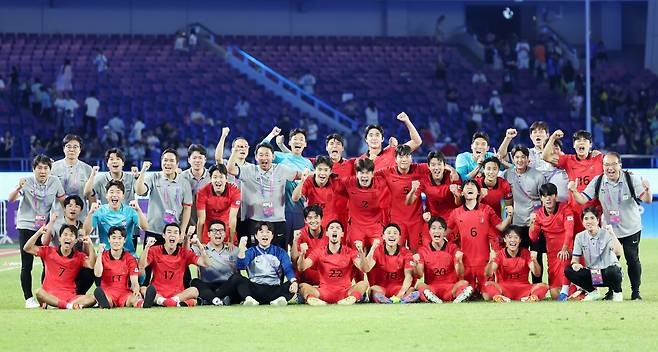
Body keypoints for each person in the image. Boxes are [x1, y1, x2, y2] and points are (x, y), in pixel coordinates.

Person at [569, 152, 652, 300]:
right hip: (609, 230)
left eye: (613, 164)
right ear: (602, 166)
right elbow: (582, 200)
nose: (610, 168)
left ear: (620, 165)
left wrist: (647, 190)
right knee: (608, 262)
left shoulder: (630, 178)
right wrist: (574, 191)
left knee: (632, 260)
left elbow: (647, 200)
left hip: (631, 228)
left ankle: (635, 292)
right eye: (606, 164)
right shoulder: (598, 180)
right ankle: (611, 292)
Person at [8, 154, 66, 308]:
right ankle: (28, 299)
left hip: (44, 227)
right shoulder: (26, 181)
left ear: (50, 170)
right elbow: (11, 199)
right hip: (26, 225)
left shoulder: (55, 181)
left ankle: (46, 296)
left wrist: (71, 214)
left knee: (48, 262)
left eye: (46, 168)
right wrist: (18, 187)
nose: (42, 171)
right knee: (27, 264)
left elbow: (63, 200)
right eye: (39, 168)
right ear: (33, 169)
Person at [226, 142, 299, 249]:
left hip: (278, 221)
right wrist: (235, 152)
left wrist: (321, 173)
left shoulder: (281, 169)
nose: (264, 158)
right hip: (255, 221)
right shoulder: (250, 170)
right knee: (255, 257)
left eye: (267, 155)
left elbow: (301, 175)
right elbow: (231, 169)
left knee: (279, 256)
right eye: (261, 155)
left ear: (273, 156)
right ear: (255, 157)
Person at [447, 180, 513, 292]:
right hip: (466, 263)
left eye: (473, 185)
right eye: (466, 186)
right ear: (462, 193)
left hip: (485, 263)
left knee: (488, 294)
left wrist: (509, 216)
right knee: (465, 292)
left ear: (478, 193)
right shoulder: (456, 212)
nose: (470, 187)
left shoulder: (487, 209)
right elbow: (444, 232)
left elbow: (501, 227)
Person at [23, 225, 96, 309]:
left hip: (69, 297)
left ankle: (58, 305)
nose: (68, 238)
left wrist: (90, 245)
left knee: (93, 297)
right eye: (65, 235)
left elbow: (91, 265)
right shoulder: (48, 251)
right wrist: (38, 233)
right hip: (49, 295)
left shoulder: (79, 256)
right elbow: (27, 248)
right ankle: (66, 306)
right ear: (60, 238)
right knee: (39, 292)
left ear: (76, 240)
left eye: (71, 236)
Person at [543, 129, 603, 232]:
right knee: (576, 244)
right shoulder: (568, 160)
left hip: (596, 211)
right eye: (578, 140)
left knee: (597, 243)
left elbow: (614, 166)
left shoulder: (600, 159)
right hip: (575, 211)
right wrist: (553, 137)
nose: (581, 142)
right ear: (574, 145)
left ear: (590, 145)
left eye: (585, 140)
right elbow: (545, 156)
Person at [261, 127, 313, 247]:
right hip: (280, 212)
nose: (298, 142)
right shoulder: (280, 157)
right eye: (295, 139)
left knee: (298, 249)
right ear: (289, 142)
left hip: (299, 211)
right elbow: (262, 150)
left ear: (305, 144)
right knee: (279, 248)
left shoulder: (308, 164)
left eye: (301, 139)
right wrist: (272, 134)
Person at [297, 220, 369, 305]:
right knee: (302, 286)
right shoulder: (318, 251)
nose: (334, 230)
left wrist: (361, 252)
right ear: (327, 233)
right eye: (331, 228)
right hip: (323, 293)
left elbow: (365, 269)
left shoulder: (350, 252)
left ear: (342, 234)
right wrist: (302, 254)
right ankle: (314, 300)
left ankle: (351, 299)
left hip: (345, 293)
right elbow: (302, 267)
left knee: (364, 284)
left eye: (338, 228)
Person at [139, 223, 210, 308]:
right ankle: (173, 303)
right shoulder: (154, 250)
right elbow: (141, 266)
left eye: (175, 232)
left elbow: (206, 263)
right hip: (157, 292)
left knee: (194, 290)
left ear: (180, 237)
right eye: (169, 232)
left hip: (177, 294)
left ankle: (164, 302)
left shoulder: (184, 253)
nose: (172, 235)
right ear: (164, 235)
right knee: (143, 289)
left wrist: (200, 246)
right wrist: (147, 247)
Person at [135, 149, 193, 248]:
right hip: (153, 231)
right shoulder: (154, 177)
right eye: (165, 160)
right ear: (161, 162)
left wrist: (182, 231)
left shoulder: (184, 182)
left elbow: (187, 208)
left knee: (172, 263)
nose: (168, 163)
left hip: (173, 232)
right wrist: (143, 171)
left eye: (171, 161)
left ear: (177, 164)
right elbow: (139, 191)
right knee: (150, 263)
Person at [377, 145, 430, 251]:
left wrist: (453, 171)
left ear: (411, 158)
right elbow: (368, 175)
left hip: (416, 220)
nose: (404, 159)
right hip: (397, 220)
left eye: (407, 156)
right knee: (396, 251)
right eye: (401, 157)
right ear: (395, 159)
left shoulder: (419, 169)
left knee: (417, 253)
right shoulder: (387, 171)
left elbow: (436, 166)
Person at [565, 207, 623, 302]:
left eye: (592, 218)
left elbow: (618, 252)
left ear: (598, 220)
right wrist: (575, 264)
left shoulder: (606, 234)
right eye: (586, 219)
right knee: (568, 270)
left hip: (609, 275)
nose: (589, 221)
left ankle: (617, 293)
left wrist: (612, 234)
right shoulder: (579, 237)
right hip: (594, 276)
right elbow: (575, 259)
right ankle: (592, 292)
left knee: (613, 270)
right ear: (583, 222)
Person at [234, 222, 299, 306]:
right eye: (261, 232)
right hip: (255, 288)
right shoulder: (250, 251)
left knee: (296, 281)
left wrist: (294, 281)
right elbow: (241, 266)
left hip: (274, 289)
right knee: (237, 278)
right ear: (256, 236)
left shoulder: (280, 252)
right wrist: (242, 248)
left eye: (268, 232)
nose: (265, 234)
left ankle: (280, 299)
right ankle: (249, 299)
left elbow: (288, 268)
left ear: (272, 236)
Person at [529, 183, 575, 300]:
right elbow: (533, 238)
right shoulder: (538, 214)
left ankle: (579, 291)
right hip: (552, 254)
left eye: (550, 195)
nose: (548, 198)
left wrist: (565, 248)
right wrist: (532, 224)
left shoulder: (565, 208)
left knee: (569, 281)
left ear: (556, 196)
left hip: (567, 249)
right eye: (544, 196)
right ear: (541, 198)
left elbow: (569, 231)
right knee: (555, 294)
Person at [482, 226, 548, 302]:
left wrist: (535, 262)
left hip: (523, 289)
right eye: (510, 237)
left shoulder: (526, 253)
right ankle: (498, 297)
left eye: (516, 237)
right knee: (487, 285)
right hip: (504, 289)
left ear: (520, 240)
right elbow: (488, 274)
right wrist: (490, 262)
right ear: (505, 239)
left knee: (544, 286)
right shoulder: (500, 254)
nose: (513, 240)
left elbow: (537, 274)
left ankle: (533, 297)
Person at [415, 217, 474, 303]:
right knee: (419, 285)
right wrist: (416, 264)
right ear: (429, 231)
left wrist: (459, 261)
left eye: (440, 228)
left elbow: (460, 273)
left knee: (464, 283)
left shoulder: (453, 248)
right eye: (433, 228)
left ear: (445, 232)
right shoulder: (423, 250)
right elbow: (419, 275)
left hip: (450, 289)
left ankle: (459, 297)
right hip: (432, 289)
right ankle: (431, 298)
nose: (437, 231)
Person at [84, 180, 148, 257]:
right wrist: (90, 213)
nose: (114, 195)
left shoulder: (130, 211)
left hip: (127, 254)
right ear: (106, 195)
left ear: (123, 196)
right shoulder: (99, 211)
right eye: (111, 192)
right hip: (105, 255)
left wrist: (139, 210)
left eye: (118, 192)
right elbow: (86, 232)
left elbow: (144, 227)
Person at [334, 158, 387, 248]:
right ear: (356, 174)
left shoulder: (381, 182)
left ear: (372, 174)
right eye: (362, 173)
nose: (364, 176)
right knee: (356, 257)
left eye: (367, 173)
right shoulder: (349, 182)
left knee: (378, 255)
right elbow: (331, 182)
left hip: (375, 227)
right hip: (356, 228)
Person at [361, 224, 420, 304]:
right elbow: (366, 268)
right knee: (374, 289)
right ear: (383, 237)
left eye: (395, 233)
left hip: (399, 288)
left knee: (411, 289)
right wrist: (372, 248)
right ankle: (384, 299)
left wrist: (400, 294)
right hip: (381, 288)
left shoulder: (407, 253)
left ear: (399, 237)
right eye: (388, 233)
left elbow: (408, 277)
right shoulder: (377, 250)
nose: (392, 235)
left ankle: (403, 299)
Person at [190, 220, 242, 306]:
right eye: (214, 231)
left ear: (225, 234)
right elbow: (185, 253)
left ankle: (209, 299)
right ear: (208, 234)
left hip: (227, 286)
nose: (218, 233)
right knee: (195, 281)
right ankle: (216, 299)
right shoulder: (201, 248)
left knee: (237, 277)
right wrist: (188, 238)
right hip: (208, 285)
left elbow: (243, 263)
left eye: (221, 230)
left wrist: (242, 246)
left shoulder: (233, 250)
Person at [502, 145, 545, 248]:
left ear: (527, 159)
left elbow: (544, 199)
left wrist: (541, 220)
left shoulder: (538, 175)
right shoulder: (507, 174)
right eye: (517, 157)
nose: (520, 160)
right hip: (517, 223)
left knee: (536, 256)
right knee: (521, 255)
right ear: (513, 159)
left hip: (534, 222)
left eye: (523, 157)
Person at [93, 226, 145, 308]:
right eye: (113, 238)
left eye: (120, 238)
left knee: (134, 299)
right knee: (107, 300)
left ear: (124, 240)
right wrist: (99, 253)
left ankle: (143, 304)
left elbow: (134, 281)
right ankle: (105, 303)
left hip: (125, 293)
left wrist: (136, 289)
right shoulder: (102, 256)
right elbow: (97, 274)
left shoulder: (130, 258)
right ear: (109, 240)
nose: (116, 241)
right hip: (108, 292)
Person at [406, 151, 461, 222]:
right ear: (428, 166)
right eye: (433, 165)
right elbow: (409, 202)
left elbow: (459, 203)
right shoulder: (424, 181)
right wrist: (412, 190)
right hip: (433, 220)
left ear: (444, 166)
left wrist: (456, 194)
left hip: (452, 219)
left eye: (439, 164)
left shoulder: (453, 177)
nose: (436, 168)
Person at [195, 164, 241, 244]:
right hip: (208, 231)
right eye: (215, 177)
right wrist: (199, 242)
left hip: (227, 229)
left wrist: (230, 241)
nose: (218, 180)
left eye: (221, 177)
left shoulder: (234, 192)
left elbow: (232, 219)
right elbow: (201, 220)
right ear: (210, 179)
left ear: (226, 179)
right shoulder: (202, 193)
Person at [51, 134, 93, 216]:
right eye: (68, 146)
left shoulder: (88, 169)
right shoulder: (53, 168)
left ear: (80, 149)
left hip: (80, 217)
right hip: (59, 218)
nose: (71, 149)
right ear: (64, 149)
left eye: (75, 147)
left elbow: (91, 195)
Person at [292, 156, 338, 230]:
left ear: (330, 172)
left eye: (326, 170)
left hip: (330, 227)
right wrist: (302, 180)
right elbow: (295, 198)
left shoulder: (336, 182)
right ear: (315, 170)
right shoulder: (308, 180)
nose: (322, 173)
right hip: (313, 226)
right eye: (319, 169)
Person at [290, 205, 327, 286]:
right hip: (305, 274)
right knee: (297, 264)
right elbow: (294, 259)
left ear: (321, 219)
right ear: (305, 220)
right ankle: (299, 289)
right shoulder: (300, 234)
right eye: (310, 218)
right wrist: (295, 240)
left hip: (323, 275)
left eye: (316, 217)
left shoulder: (328, 234)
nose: (313, 220)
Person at [180, 144, 212, 228]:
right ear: (189, 160)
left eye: (200, 158)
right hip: (187, 219)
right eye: (194, 158)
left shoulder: (212, 176)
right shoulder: (182, 177)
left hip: (207, 218)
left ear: (205, 159)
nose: (197, 160)